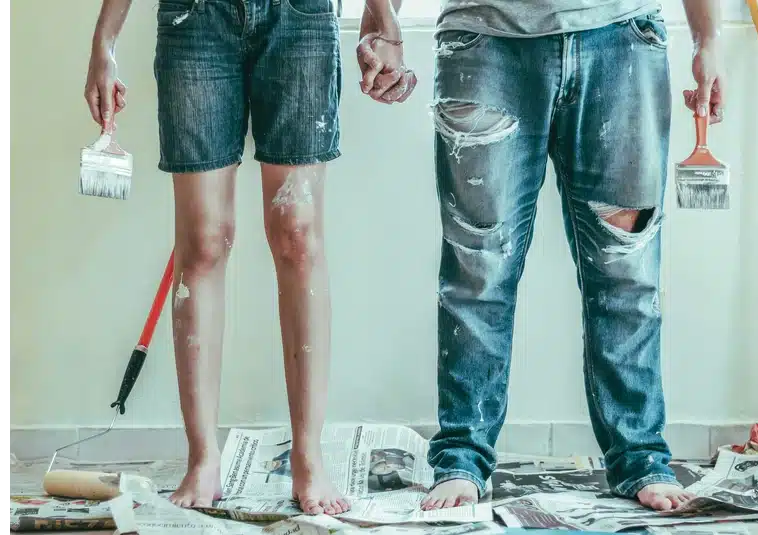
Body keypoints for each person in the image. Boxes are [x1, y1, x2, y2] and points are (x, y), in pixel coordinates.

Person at [357, 0, 725, 512]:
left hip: (620, 36)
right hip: (484, 41)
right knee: (478, 271)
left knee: (627, 270)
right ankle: (462, 456)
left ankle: (640, 456)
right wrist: (382, 16)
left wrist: (707, 39)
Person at [84, 0, 354, 515]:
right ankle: (203, 458)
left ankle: (308, 455)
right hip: (196, 21)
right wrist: (105, 41)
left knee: (297, 235)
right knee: (204, 241)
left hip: (299, 20)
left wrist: (382, 15)